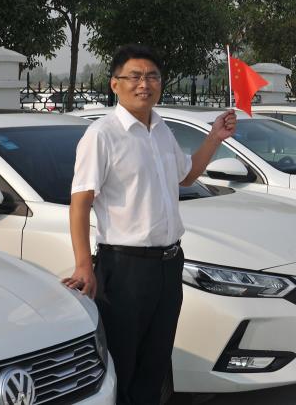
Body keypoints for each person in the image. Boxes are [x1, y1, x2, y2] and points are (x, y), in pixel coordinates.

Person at [63, 44, 237, 404]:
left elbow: (187, 175)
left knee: (155, 362)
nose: (144, 84)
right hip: (125, 268)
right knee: (123, 363)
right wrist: (83, 265)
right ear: (115, 84)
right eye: (135, 77)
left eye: (152, 76)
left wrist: (214, 138)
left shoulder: (160, 130)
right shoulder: (102, 134)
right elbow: (80, 203)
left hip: (169, 266)